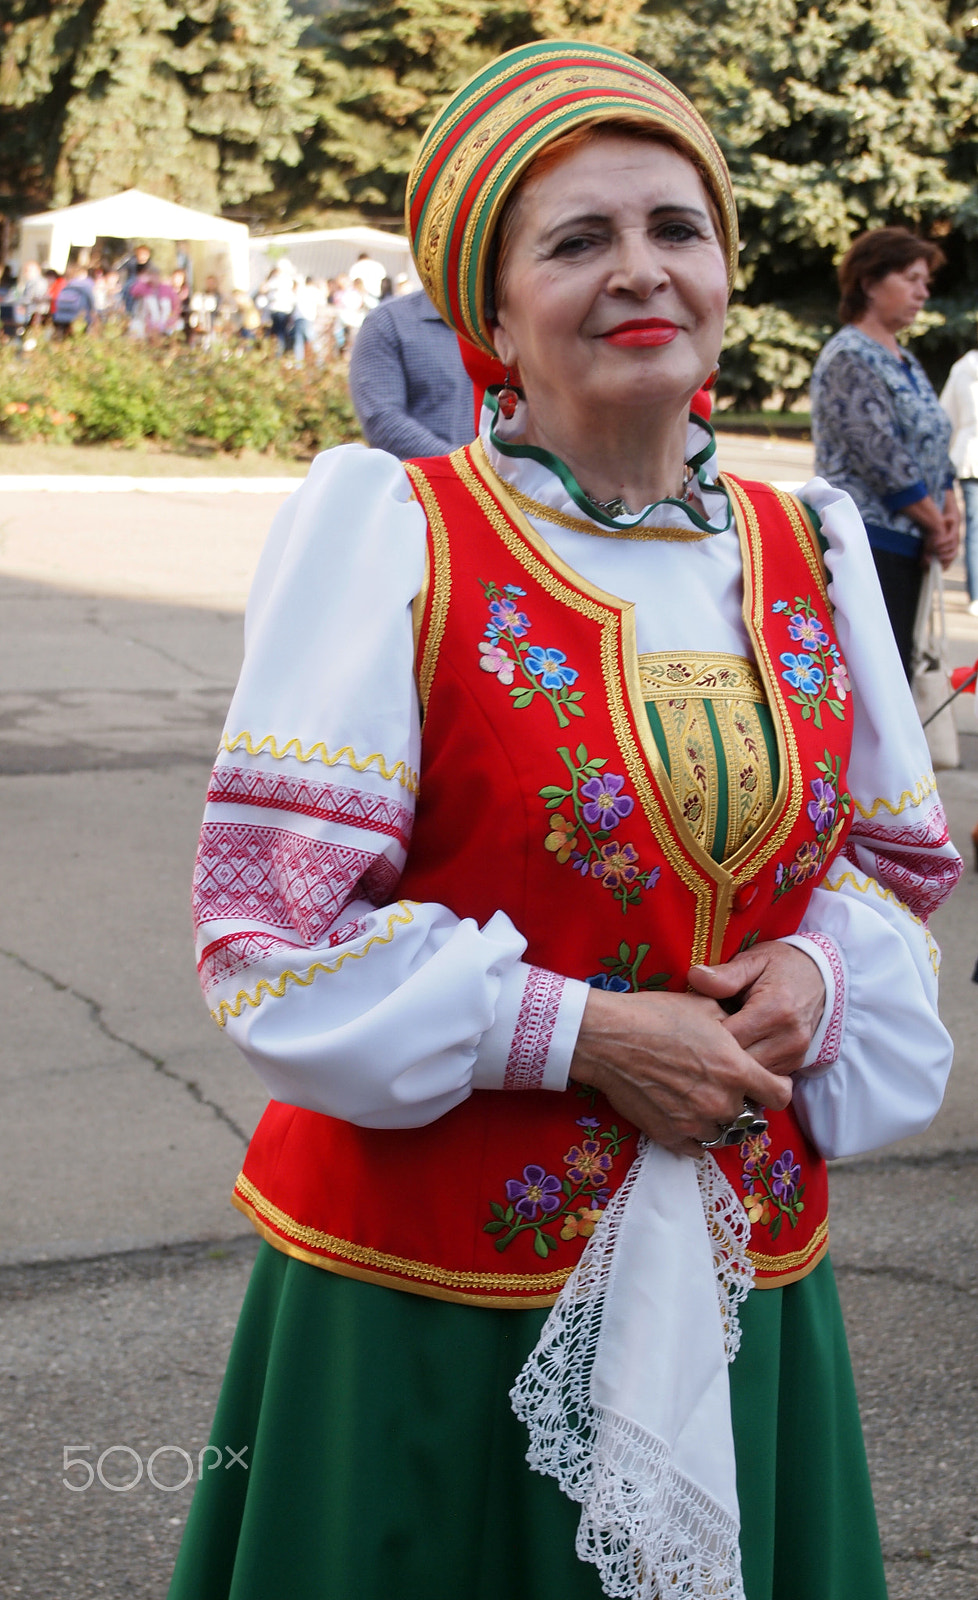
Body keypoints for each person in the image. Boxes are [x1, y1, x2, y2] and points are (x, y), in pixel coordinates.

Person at [169, 42, 960, 1600]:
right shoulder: (395, 532)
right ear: (490, 317)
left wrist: (817, 975)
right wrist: (588, 1037)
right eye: (576, 241)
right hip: (435, 1298)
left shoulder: (806, 543)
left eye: (675, 228)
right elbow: (269, 940)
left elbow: (885, 869)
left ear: (728, 272)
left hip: (742, 1262)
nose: (639, 272)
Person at [810, 228, 959, 677]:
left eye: (926, 282)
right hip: (868, 542)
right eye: (912, 278)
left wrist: (950, 511)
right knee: (873, 678)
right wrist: (938, 525)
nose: (923, 291)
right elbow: (881, 456)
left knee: (897, 672)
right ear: (870, 283)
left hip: (909, 541)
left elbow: (933, 438)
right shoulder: (850, 356)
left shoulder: (903, 359)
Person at [349, 287, 476, 456]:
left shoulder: (509, 320)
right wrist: (464, 469)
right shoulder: (388, 322)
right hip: (426, 478)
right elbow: (383, 421)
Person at [940, 345, 978, 615]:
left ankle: (976, 595)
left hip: (969, 454)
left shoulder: (963, 369)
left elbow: (946, 418)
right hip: (970, 455)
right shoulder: (962, 368)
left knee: (975, 528)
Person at [52, 263, 96, 334]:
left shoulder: (68, 284)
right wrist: (93, 311)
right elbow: (91, 299)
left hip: (61, 315)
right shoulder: (87, 284)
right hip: (80, 315)